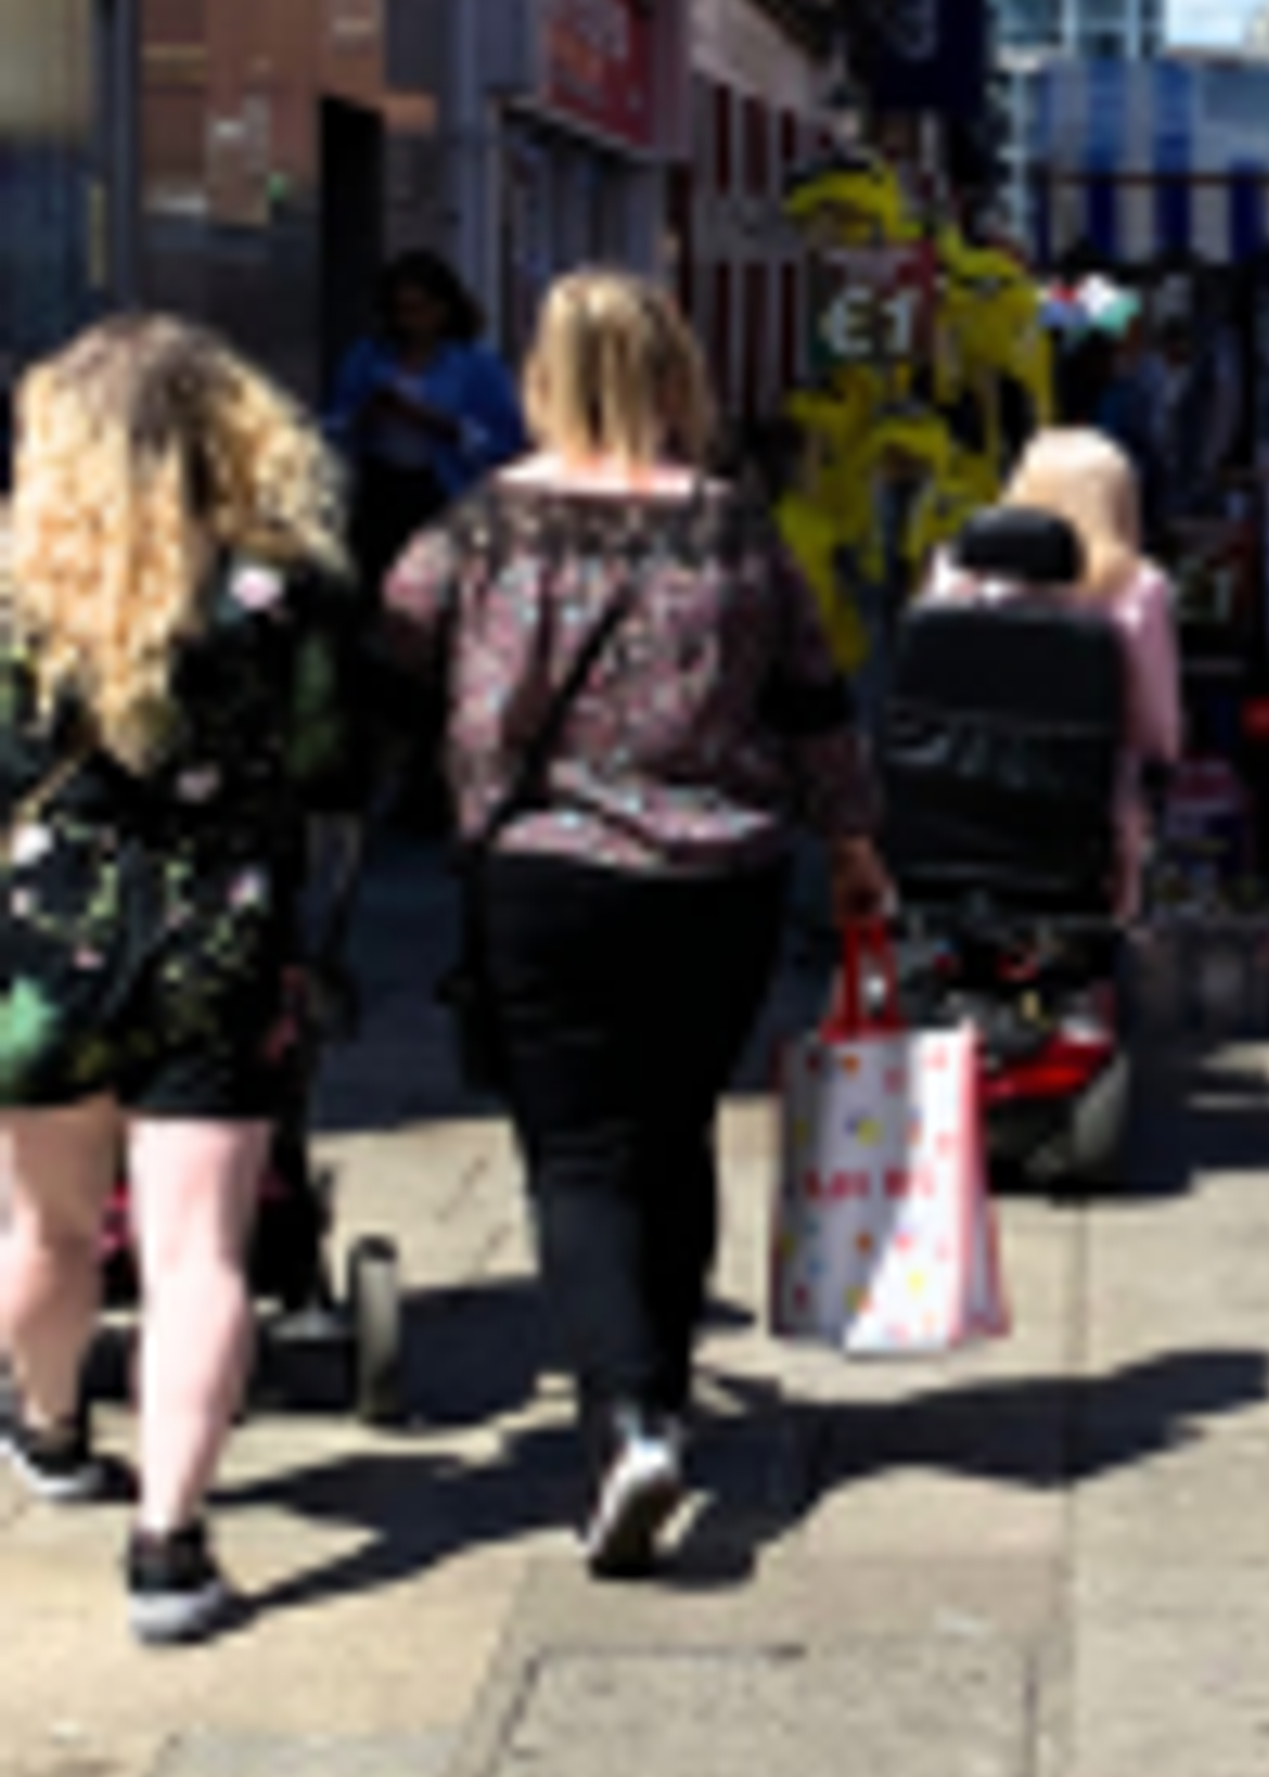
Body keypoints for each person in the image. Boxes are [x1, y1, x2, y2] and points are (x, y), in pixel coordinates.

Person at [382, 269, 889, 1579]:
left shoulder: (480, 528)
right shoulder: (733, 528)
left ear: (543, 375)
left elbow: (388, 655)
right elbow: (814, 697)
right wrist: (851, 842)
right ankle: (658, 1396)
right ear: (677, 375)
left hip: (541, 878)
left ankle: (624, 1423)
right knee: (673, 1139)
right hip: (718, 877)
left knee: (578, 1156)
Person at [0, 320, 355, 1645]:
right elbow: (330, 764)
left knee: (42, 1229)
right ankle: (169, 1549)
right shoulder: (285, 590)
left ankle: (44, 1427)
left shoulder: (24, 590)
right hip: (223, 937)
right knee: (199, 1251)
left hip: (43, 943)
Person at [913, 427, 1187, 906]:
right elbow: (1158, 736)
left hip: (944, 840)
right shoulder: (1136, 592)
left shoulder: (951, 581)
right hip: (1080, 852)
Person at [323, 252, 525, 592]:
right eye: (399, 310)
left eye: (418, 310)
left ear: (443, 309)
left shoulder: (476, 364)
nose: (408, 322)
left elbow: (506, 442)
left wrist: (439, 423)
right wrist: (365, 415)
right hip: (379, 488)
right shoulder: (368, 355)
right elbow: (332, 425)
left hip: (442, 490)